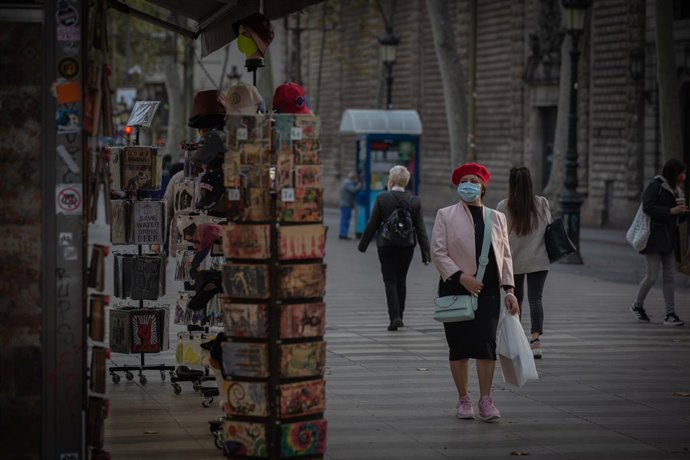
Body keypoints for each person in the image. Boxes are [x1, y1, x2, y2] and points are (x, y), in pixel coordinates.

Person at [430, 162, 519, 422]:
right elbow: (438, 251)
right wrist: (461, 277)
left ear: (483, 187)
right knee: (458, 346)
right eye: (464, 180)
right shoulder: (445, 215)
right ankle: (463, 398)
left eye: (474, 181)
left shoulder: (497, 217)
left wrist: (510, 289)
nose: (469, 185)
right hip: (454, 288)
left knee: (486, 345)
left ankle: (486, 399)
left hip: (489, 291)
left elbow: (505, 256)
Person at [357, 165, 431, 331]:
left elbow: (372, 224)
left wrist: (363, 245)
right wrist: (426, 255)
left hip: (386, 245)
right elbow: (420, 228)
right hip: (407, 246)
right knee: (401, 280)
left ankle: (394, 317)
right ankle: (400, 316)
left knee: (389, 279)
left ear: (390, 181)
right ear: (406, 182)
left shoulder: (382, 198)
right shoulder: (415, 201)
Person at [496, 167, 551, 358]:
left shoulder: (504, 206)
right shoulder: (542, 203)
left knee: (515, 299)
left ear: (511, 184)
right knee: (536, 299)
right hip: (539, 259)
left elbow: (499, 236)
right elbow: (548, 228)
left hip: (513, 261)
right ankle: (536, 341)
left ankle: (516, 341)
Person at [630, 158, 689, 326]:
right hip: (653, 238)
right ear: (674, 173)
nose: (684, 176)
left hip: (670, 239)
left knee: (670, 276)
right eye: (682, 173)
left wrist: (682, 212)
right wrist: (670, 211)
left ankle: (670, 314)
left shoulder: (678, 191)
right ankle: (637, 305)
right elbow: (648, 206)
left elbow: (679, 218)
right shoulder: (656, 185)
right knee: (652, 276)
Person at [339, 172, 360, 239]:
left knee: (344, 220)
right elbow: (353, 190)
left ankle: (343, 233)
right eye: (354, 178)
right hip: (346, 204)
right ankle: (343, 234)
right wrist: (359, 185)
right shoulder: (348, 183)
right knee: (345, 220)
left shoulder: (346, 181)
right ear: (352, 177)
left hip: (345, 204)